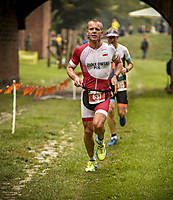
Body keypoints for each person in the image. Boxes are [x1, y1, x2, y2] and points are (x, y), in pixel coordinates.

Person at [66, 19, 122, 172]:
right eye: (91, 29)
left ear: (102, 33)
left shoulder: (109, 49)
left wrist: (115, 75)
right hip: (87, 94)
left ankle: (101, 141)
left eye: (97, 29)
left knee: (98, 125)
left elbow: (119, 63)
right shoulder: (80, 50)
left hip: (104, 94)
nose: (94, 31)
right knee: (87, 131)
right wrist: (76, 78)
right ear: (87, 32)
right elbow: (70, 68)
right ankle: (91, 160)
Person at [105, 28, 133, 146]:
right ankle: (113, 136)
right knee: (110, 110)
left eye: (113, 37)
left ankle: (122, 116)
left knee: (121, 112)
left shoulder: (123, 49)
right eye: (109, 37)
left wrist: (126, 69)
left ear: (117, 38)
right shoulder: (104, 50)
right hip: (108, 84)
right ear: (106, 38)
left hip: (121, 83)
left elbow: (131, 63)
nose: (111, 39)